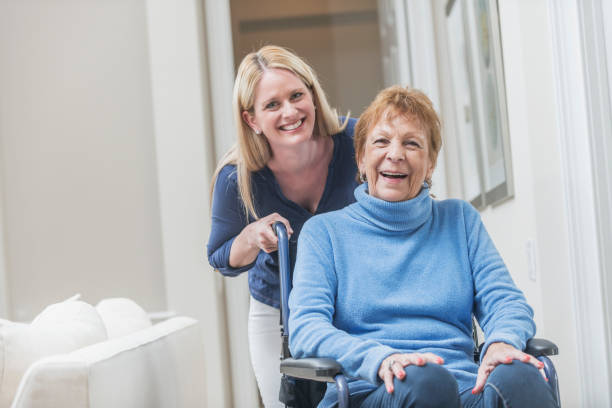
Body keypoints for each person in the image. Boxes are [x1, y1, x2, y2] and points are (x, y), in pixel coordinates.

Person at [288, 86, 558, 408]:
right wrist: (380, 359)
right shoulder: (324, 233)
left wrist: (501, 343)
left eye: (412, 143)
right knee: (426, 381)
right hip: (371, 391)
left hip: (463, 389)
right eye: (381, 141)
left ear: (430, 165)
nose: (396, 154)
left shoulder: (459, 220)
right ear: (361, 158)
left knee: (521, 372)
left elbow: (506, 301)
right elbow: (305, 329)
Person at [206, 45, 358, 407]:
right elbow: (219, 256)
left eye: (296, 96)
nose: (290, 112)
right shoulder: (237, 178)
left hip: (358, 304)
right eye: (272, 105)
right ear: (252, 120)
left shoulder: (358, 142)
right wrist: (251, 236)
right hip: (280, 316)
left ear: (313, 96)